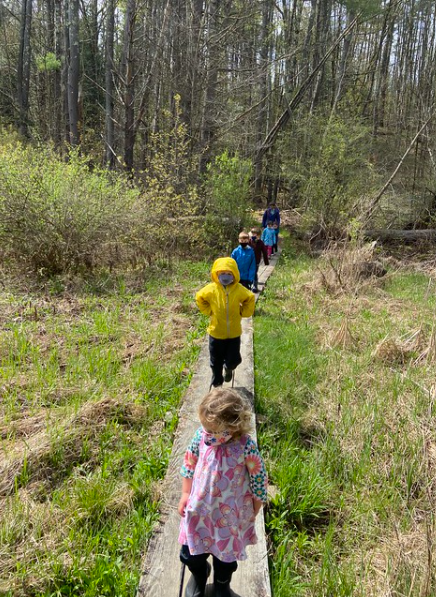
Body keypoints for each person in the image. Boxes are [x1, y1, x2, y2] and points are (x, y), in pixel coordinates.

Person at [178, 388, 268, 597]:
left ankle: (221, 585)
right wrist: (185, 493)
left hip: (228, 517)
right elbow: (189, 463)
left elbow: (258, 477)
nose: (206, 432)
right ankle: (199, 575)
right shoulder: (201, 436)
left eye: (212, 429)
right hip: (198, 512)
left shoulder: (245, 446)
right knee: (191, 554)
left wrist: (255, 507)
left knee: (225, 559)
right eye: (205, 427)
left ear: (232, 426)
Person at [196, 257, 255, 388]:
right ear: (216, 274)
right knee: (215, 360)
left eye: (229, 274)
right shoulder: (211, 289)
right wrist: (208, 311)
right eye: (222, 273)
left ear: (235, 274)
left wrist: (243, 312)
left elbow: (250, 298)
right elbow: (199, 297)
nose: (226, 277)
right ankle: (217, 381)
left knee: (234, 359)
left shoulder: (239, 289)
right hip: (216, 333)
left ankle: (228, 368)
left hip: (234, 334)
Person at [249, 228, 269, 293]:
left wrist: (266, 261)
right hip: (248, 260)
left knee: (254, 273)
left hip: (256, 261)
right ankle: (248, 285)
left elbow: (264, 252)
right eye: (253, 234)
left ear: (259, 235)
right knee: (249, 273)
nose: (254, 235)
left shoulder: (260, 243)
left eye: (256, 234)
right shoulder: (248, 241)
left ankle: (255, 286)